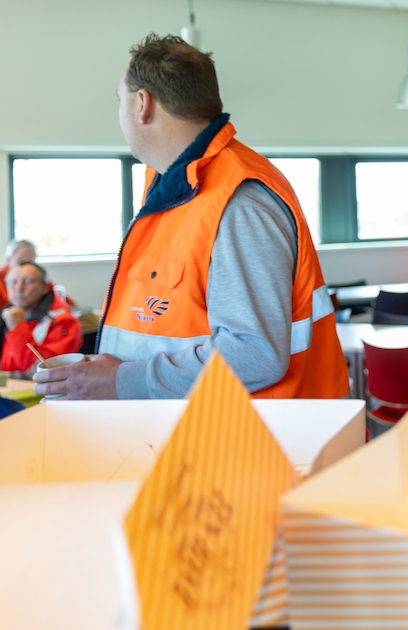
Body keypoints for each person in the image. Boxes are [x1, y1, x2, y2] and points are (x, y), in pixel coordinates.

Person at [33, 34, 347, 400]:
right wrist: (102, 374)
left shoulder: (239, 199)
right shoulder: (172, 191)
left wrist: (122, 380)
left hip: (257, 442)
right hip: (191, 433)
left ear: (142, 104)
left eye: (119, 101)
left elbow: (255, 354)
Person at [0, 261, 82, 376]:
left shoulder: (63, 322)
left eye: (28, 281)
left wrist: (17, 328)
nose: (19, 288)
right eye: (13, 282)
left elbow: (43, 373)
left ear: (44, 287)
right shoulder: (5, 315)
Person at [0, 240, 37, 306]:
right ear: (9, 260)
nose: (25, 266)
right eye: (20, 261)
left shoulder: (38, 276)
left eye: (29, 262)